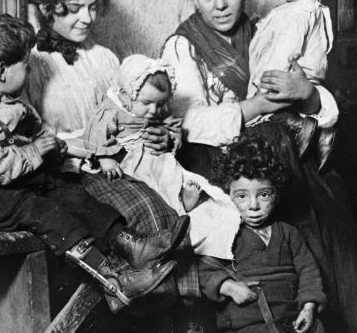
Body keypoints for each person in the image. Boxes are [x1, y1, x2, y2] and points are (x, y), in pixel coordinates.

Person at [161, 0, 357, 333]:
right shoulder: (182, 46)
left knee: (335, 223)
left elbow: (325, 106)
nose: (220, 3)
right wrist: (260, 108)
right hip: (221, 167)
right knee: (297, 215)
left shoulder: (276, 26)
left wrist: (307, 93)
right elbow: (188, 125)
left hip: (285, 160)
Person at [24, 0, 211, 333]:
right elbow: (32, 137)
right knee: (153, 211)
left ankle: (190, 331)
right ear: (47, 6)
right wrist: (86, 150)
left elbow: (137, 110)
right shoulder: (32, 63)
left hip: (124, 162)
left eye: (92, 7)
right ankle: (181, 331)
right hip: (70, 172)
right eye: (74, 9)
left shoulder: (107, 58)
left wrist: (163, 134)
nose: (87, 18)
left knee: (184, 210)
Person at [0, 11, 185, 312]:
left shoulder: (13, 103)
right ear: (2, 71)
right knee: (51, 214)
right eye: (25, 64)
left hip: (19, 184)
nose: (29, 71)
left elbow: (45, 139)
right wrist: (35, 151)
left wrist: (70, 149)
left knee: (73, 194)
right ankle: (113, 280)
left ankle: (131, 246)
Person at [199, 133, 337, 333]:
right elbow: (205, 271)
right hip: (247, 320)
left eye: (264, 195)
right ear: (228, 194)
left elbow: (308, 269)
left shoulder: (287, 232)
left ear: (277, 193)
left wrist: (309, 305)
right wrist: (228, 287)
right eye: (242, 196)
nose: (254, 206)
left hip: (287, 313)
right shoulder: (225, 232)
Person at [83, 54, 241, 260]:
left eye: (160, 104)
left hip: (155, 157)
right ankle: (179, 209)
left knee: (172, 174)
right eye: (147, 103)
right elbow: (94, 134)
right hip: (131, 162)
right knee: (154, 187)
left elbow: (171, 125)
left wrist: (171, 136)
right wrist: (105, 158)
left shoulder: (154, 109)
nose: (153, 110)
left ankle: (185, 201)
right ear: (125, 95)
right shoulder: (111, 111)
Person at [247, 0, 336, 162]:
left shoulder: (297, 14)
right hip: (307, 80)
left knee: (271, 118)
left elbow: (285, 51)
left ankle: (300, 127)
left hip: (288, 78)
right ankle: (320, 134)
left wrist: (264, 86)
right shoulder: (306, 7)